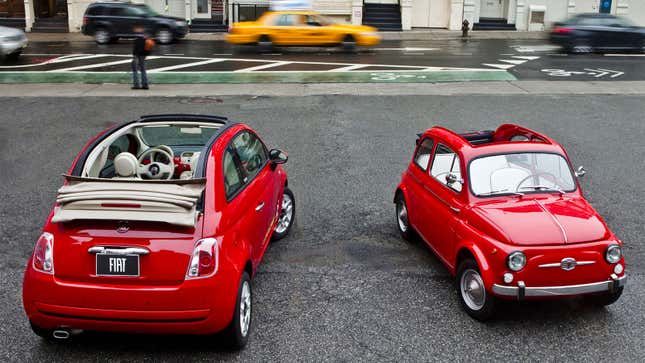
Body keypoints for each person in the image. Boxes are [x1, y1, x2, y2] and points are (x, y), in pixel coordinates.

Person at [131, 24, 149, 90]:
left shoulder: (137, 35)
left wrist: (134, 54)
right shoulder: (145, 34)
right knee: (143, 69)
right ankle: (145, 85)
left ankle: (136, 85)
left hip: (137, 54)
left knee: (135, 69)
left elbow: (136, 46)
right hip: (143, 54)